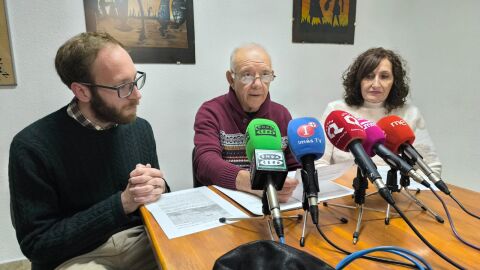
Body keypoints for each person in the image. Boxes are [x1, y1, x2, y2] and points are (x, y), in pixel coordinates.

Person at [9, 32, 169, 270]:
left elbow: (153, 201)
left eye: (135, 81)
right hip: (78, 257)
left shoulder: (140, 128)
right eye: (123, 87)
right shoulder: (31, 146)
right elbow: (38, 244)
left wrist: (158, 188)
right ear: (82, 92)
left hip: (142, 240)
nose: (137, 94)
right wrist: (122, 204)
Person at [193, 43, 300, 202]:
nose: (257, 84)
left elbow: (293, 167)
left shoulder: (281, 114)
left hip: (275, 207)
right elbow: (205, 163)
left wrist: (291, 185)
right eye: (247, 75)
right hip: (227, 209)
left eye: (265, 74)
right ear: (231, 79)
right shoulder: (211, 112)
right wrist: (255, 183)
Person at [316, 47, 442, 175]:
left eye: (384, 76)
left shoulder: (410, 113)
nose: (376, 84)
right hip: (349, 190)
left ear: (394, 82)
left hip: (396, 192)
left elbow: (432, 168)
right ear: (358, 80)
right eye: (369, 76)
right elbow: (319, 163)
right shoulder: (336, 111)